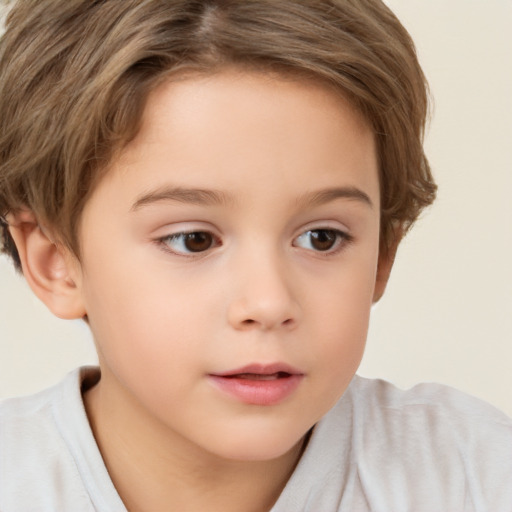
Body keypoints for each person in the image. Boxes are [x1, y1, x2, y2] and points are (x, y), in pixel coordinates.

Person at [0, 0, 510, 510]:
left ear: (382, 256)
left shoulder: (473, 474)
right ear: (56, 263)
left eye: (321, 238)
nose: (268, 303)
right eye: (193, 239)